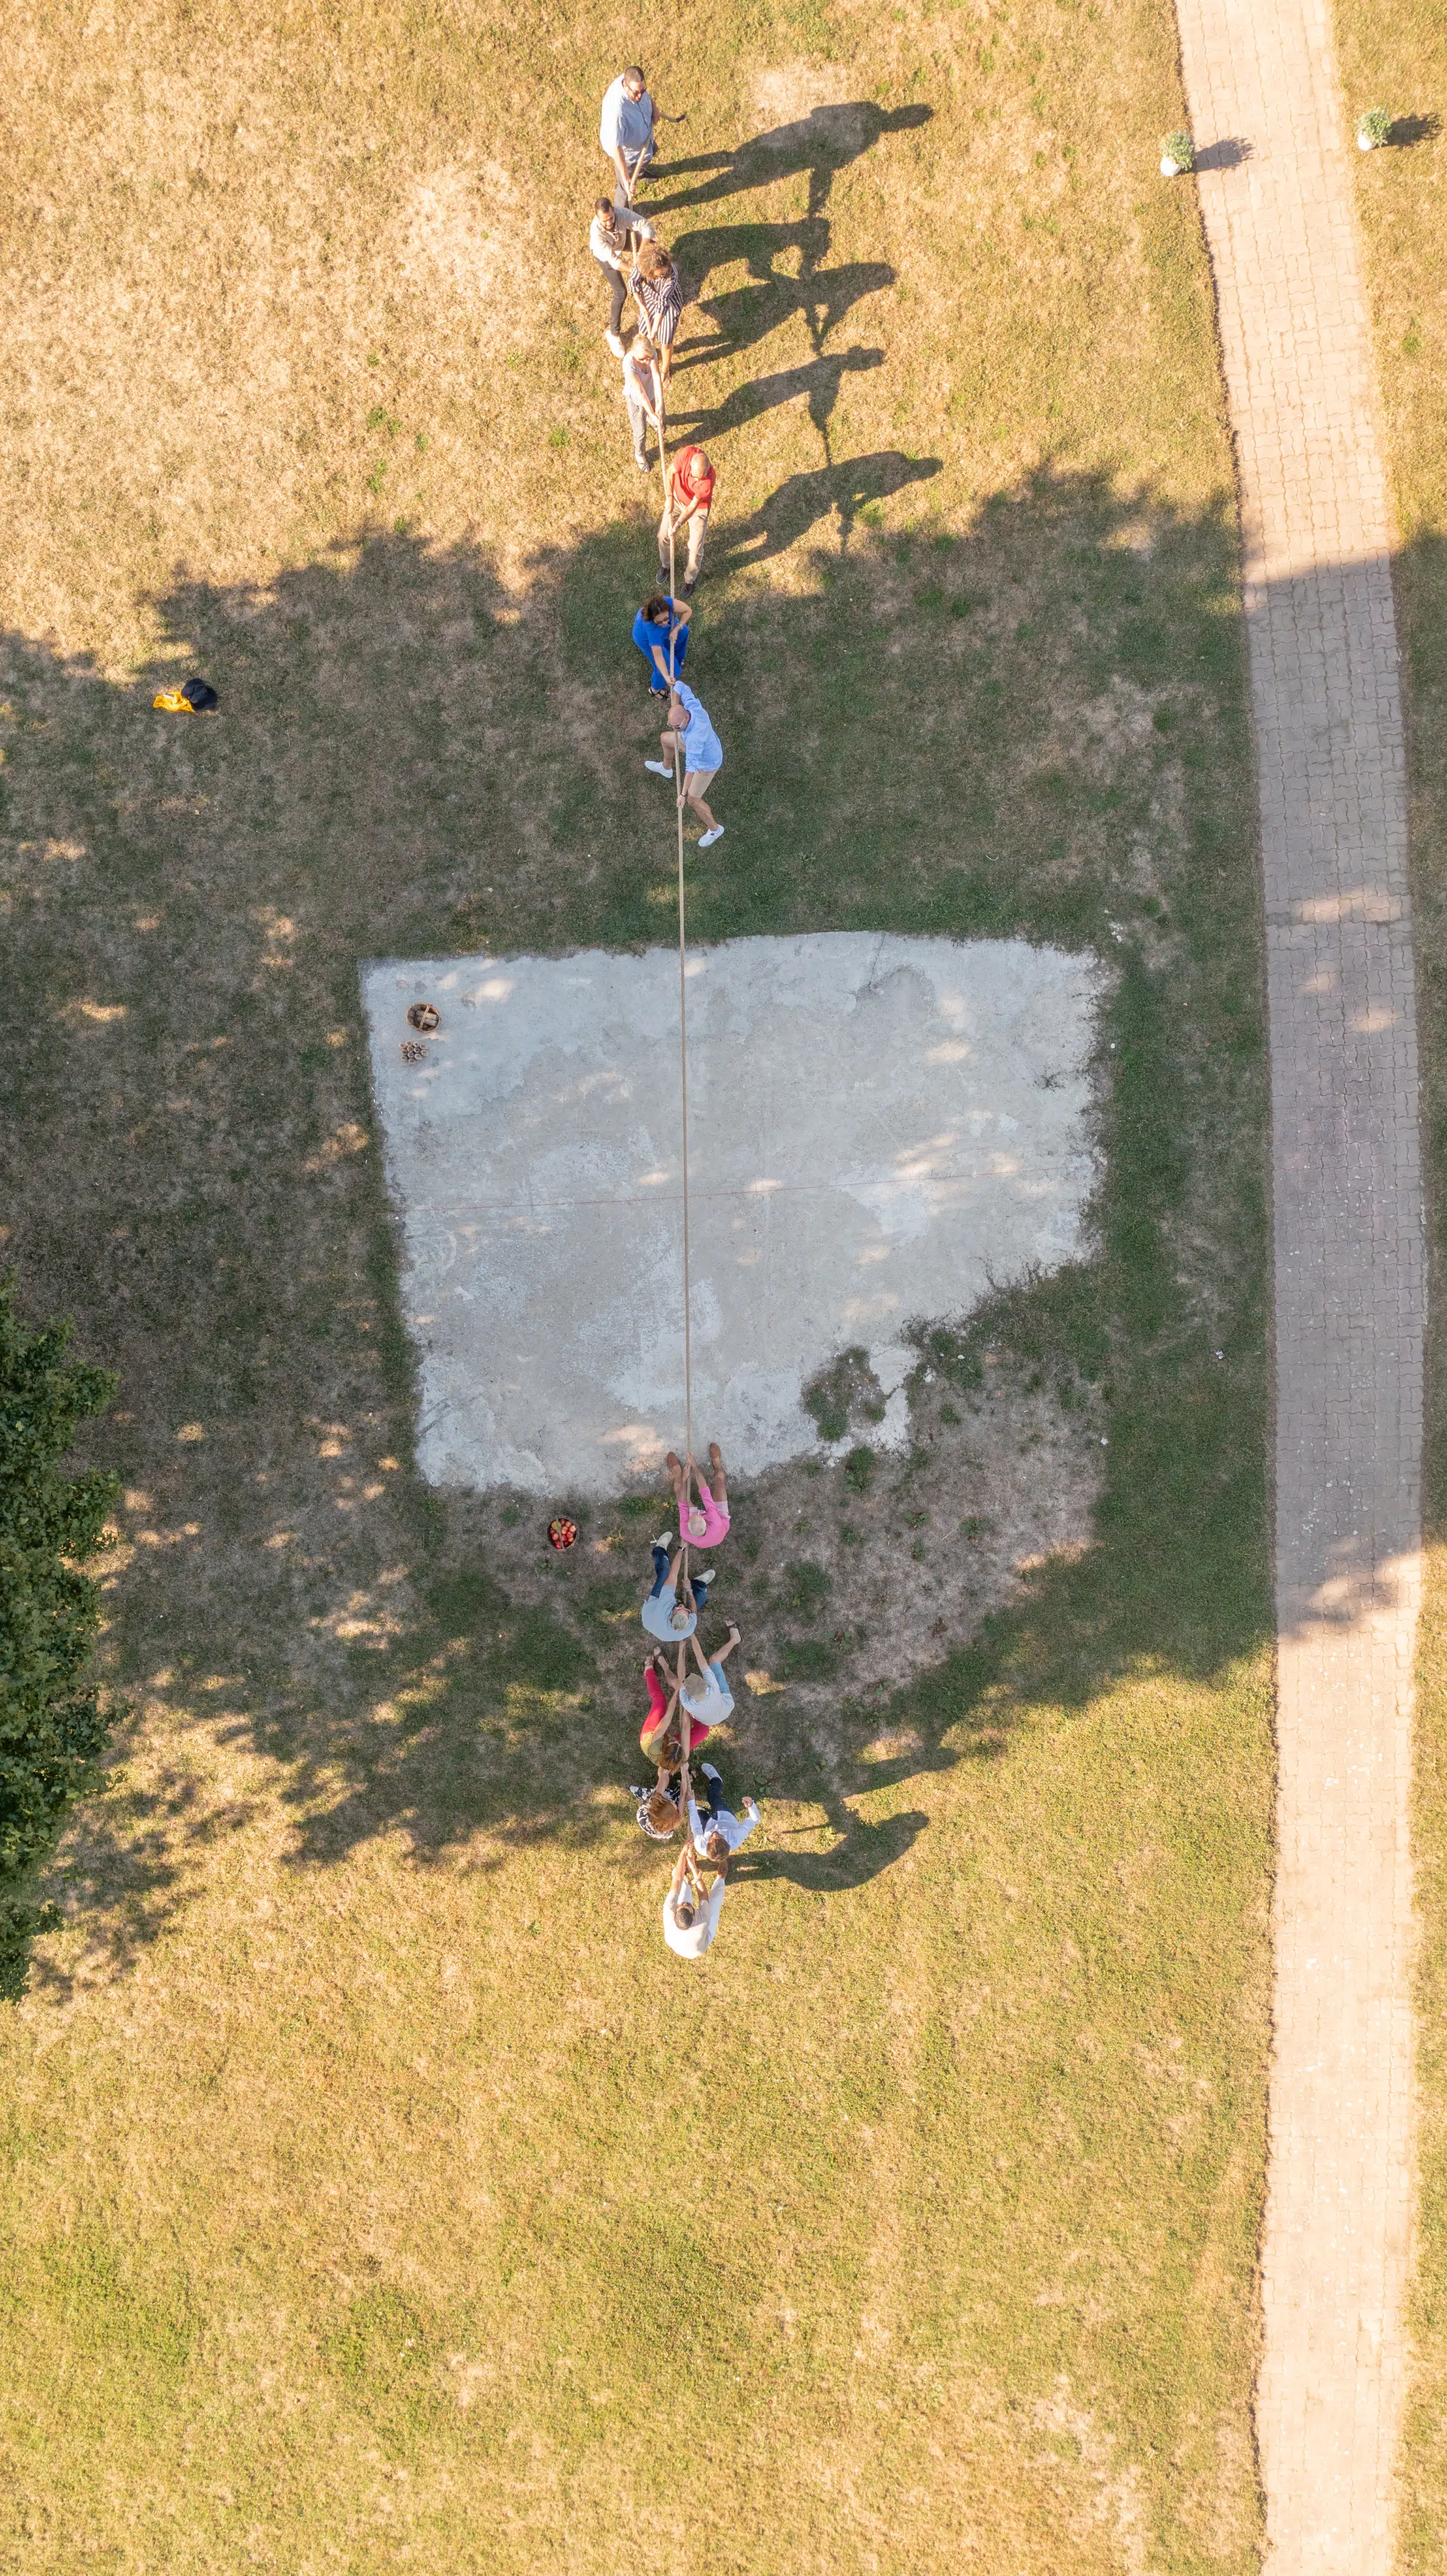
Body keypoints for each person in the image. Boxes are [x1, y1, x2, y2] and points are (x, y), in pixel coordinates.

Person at [644, 682, 724, 846]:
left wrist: (683, 794)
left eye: (677, 726)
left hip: (706, 764)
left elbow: (691, 769)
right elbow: (680, 686)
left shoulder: (696, 737)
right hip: (694, 743)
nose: (675, 729)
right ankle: (667, 769)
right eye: (672, 726)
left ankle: (715, 829)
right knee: (666, 739)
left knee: (693, 800)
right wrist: (675, 705)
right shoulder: (692, 707)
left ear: (686, 718)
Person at [589, 196, 653, 355]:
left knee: (651, 246)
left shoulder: (622, 213)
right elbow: (614, 261)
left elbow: (647, 226)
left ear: (614, 210)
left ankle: (656, 281)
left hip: (622, 240)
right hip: (606, 257)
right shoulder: (597, 236)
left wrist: (641, 253)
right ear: (598, 218)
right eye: (604, 221)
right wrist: (634, 270)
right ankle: (614, 334)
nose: (609, 223)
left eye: (611, 218)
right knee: (621, 293)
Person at [657, 444, 716, 595]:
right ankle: (666, 565)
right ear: (690, 465)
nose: (697, 480)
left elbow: (692, 507)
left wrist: (678, 524)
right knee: (663, 535)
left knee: (695, 549)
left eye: (700, 478)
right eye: (695, 476)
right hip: (677, 499)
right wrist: (670, 498)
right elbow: (670, 472)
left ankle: (689, 581)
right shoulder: (687, 453)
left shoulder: (707, 482)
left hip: (698, 510)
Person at [601, 67, 658, 212]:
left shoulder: (632, 81)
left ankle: (641, 173)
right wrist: (626, 179)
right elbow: (617, 147)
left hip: (643, 143)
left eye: (642, 91)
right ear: (625, 86)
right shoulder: (617, 113)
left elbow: (643, 94)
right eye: (636, 93)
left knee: (649, 156)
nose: (640, 96)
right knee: (625, 189)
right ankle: (621, 214)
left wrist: (654, 106)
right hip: (629, 156)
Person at [629, 240, 684, 382]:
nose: (662, 276)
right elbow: (633, 282)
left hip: (669, 304)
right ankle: (650, 359)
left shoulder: (672, 275)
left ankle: (665, 369)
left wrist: (654, 330)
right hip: (648, 300)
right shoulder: (642, 267)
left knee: (666, 340)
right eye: (657, 276)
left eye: (663, 273)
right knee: (644, 335)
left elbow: (663, 303)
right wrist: (641, 304)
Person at [641, 1533, 712, 1641]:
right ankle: (699, 1584)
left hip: (651, 1613)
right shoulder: (689, 1628)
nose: (681, 1606)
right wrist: (689, 1590)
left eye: (678, 1608)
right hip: (660, 1624)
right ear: (688, 1620)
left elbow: (673, 1574)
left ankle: (660, 1549)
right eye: (685, 1610)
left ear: (671, 1617)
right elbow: (693, 1611)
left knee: (665, 1573)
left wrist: (681, 1548)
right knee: (699, 1599)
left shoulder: (664, 1606)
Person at [687, 1763, 761, 1867]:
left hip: (708, 1825)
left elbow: (696, 1826)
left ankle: (703, 1811)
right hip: (725, 1818)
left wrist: (691, 1803)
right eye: (720, 1836)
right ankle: (717, 1780)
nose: (715, 1833)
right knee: (712, 1795)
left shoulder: (700, 1845)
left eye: (712, 1838)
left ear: (707, 1845)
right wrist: (751, 1806)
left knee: (696, 1812)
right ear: (727, 1841)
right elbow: (755, 1820)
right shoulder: (736, 1836)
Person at [662, 1843, 727, 1957]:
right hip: (699, 1945)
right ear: (694, 1917)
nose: (685, 1903)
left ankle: (686, 1880)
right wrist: (694, 1869)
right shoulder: (702, 1923)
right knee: (715, 1901)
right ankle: (721, 1878)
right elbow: (702, 1895)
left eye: (683, 1904)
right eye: (690, 1906)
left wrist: (683, 1852)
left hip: (676, 1942)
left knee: (681, 1883)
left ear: (675, 1912)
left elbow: (676, 1880)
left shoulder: (669, 1910)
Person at [678, 1620, 742, 1734]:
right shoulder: (712, 1687)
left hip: (710, 1721)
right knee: (714, 1660)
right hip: (726, 1706)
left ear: (689, 1694)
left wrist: (681, 1649)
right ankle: (735, 1639)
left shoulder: (687, 1703)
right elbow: (700, 1657)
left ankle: (736, 1639)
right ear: (703, 1681)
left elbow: (680, 1675)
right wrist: (692, 1635)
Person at [664, 1442, 731, 1546]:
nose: (696, 1513)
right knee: (720, 1478)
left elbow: (682, 1505)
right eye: (697, 1514)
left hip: (714, 1525)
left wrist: (685, 1479)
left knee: (679, 1491)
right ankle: (716, 1463)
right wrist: (694, 1465)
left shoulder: (685, 1532)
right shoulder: (716, 1522)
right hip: (721, 1519)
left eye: (693, 1515)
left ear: (688, 1524)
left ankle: (678, 1472)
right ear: (705, 1521)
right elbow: (705, 1493)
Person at [631, 591, 690, 692]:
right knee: (670, 668)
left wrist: (676, 629)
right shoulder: (651, 627)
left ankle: (677, 659)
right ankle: (655, 689)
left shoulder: (667, 603)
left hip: (661, 631)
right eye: (659, 621)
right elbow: (658, 656)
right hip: (645, 638)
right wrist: (667, 676)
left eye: (666, 618)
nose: (664, 623)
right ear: (652, 619)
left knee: (683, 632)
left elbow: (687, 611)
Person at [621, 344, 665, 473]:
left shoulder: (650, 354)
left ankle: (653, 421)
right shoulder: (629, 365)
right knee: (640, 432)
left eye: (650, 358)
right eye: (645, 359)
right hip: (637, 400)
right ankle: (639, 454)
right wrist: (651, 413)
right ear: (637, 356)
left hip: (650, 392)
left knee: (661, 416)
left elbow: (656, 377)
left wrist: (660, 402)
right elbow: (641, 394)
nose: (649, 362)